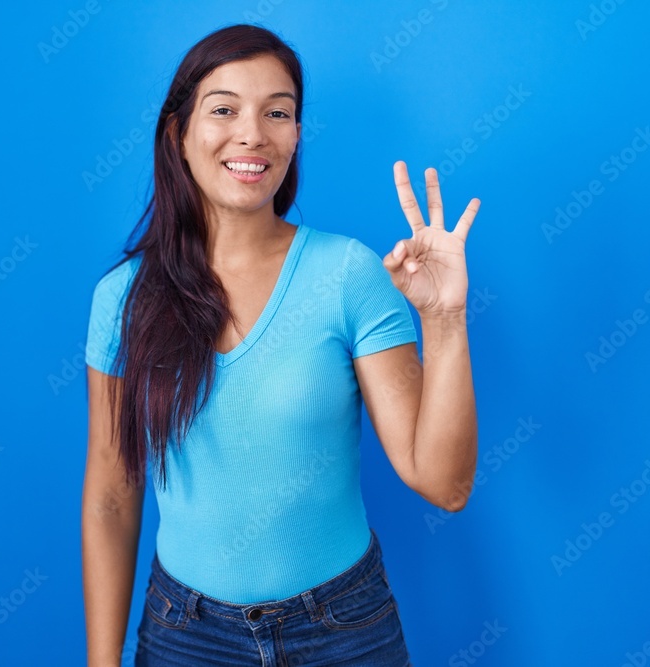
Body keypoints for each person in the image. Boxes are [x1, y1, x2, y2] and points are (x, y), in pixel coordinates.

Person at [82, 23, 480, 667]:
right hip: (185, 635)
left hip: (343, 630)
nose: (252, 134)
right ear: (177, 134)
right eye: (224, 109)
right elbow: (109, 492)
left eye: (278, 112)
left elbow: (444, 484)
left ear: (296, 136)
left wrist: (445, 319)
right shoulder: (125, 297)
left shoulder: (350, 274)